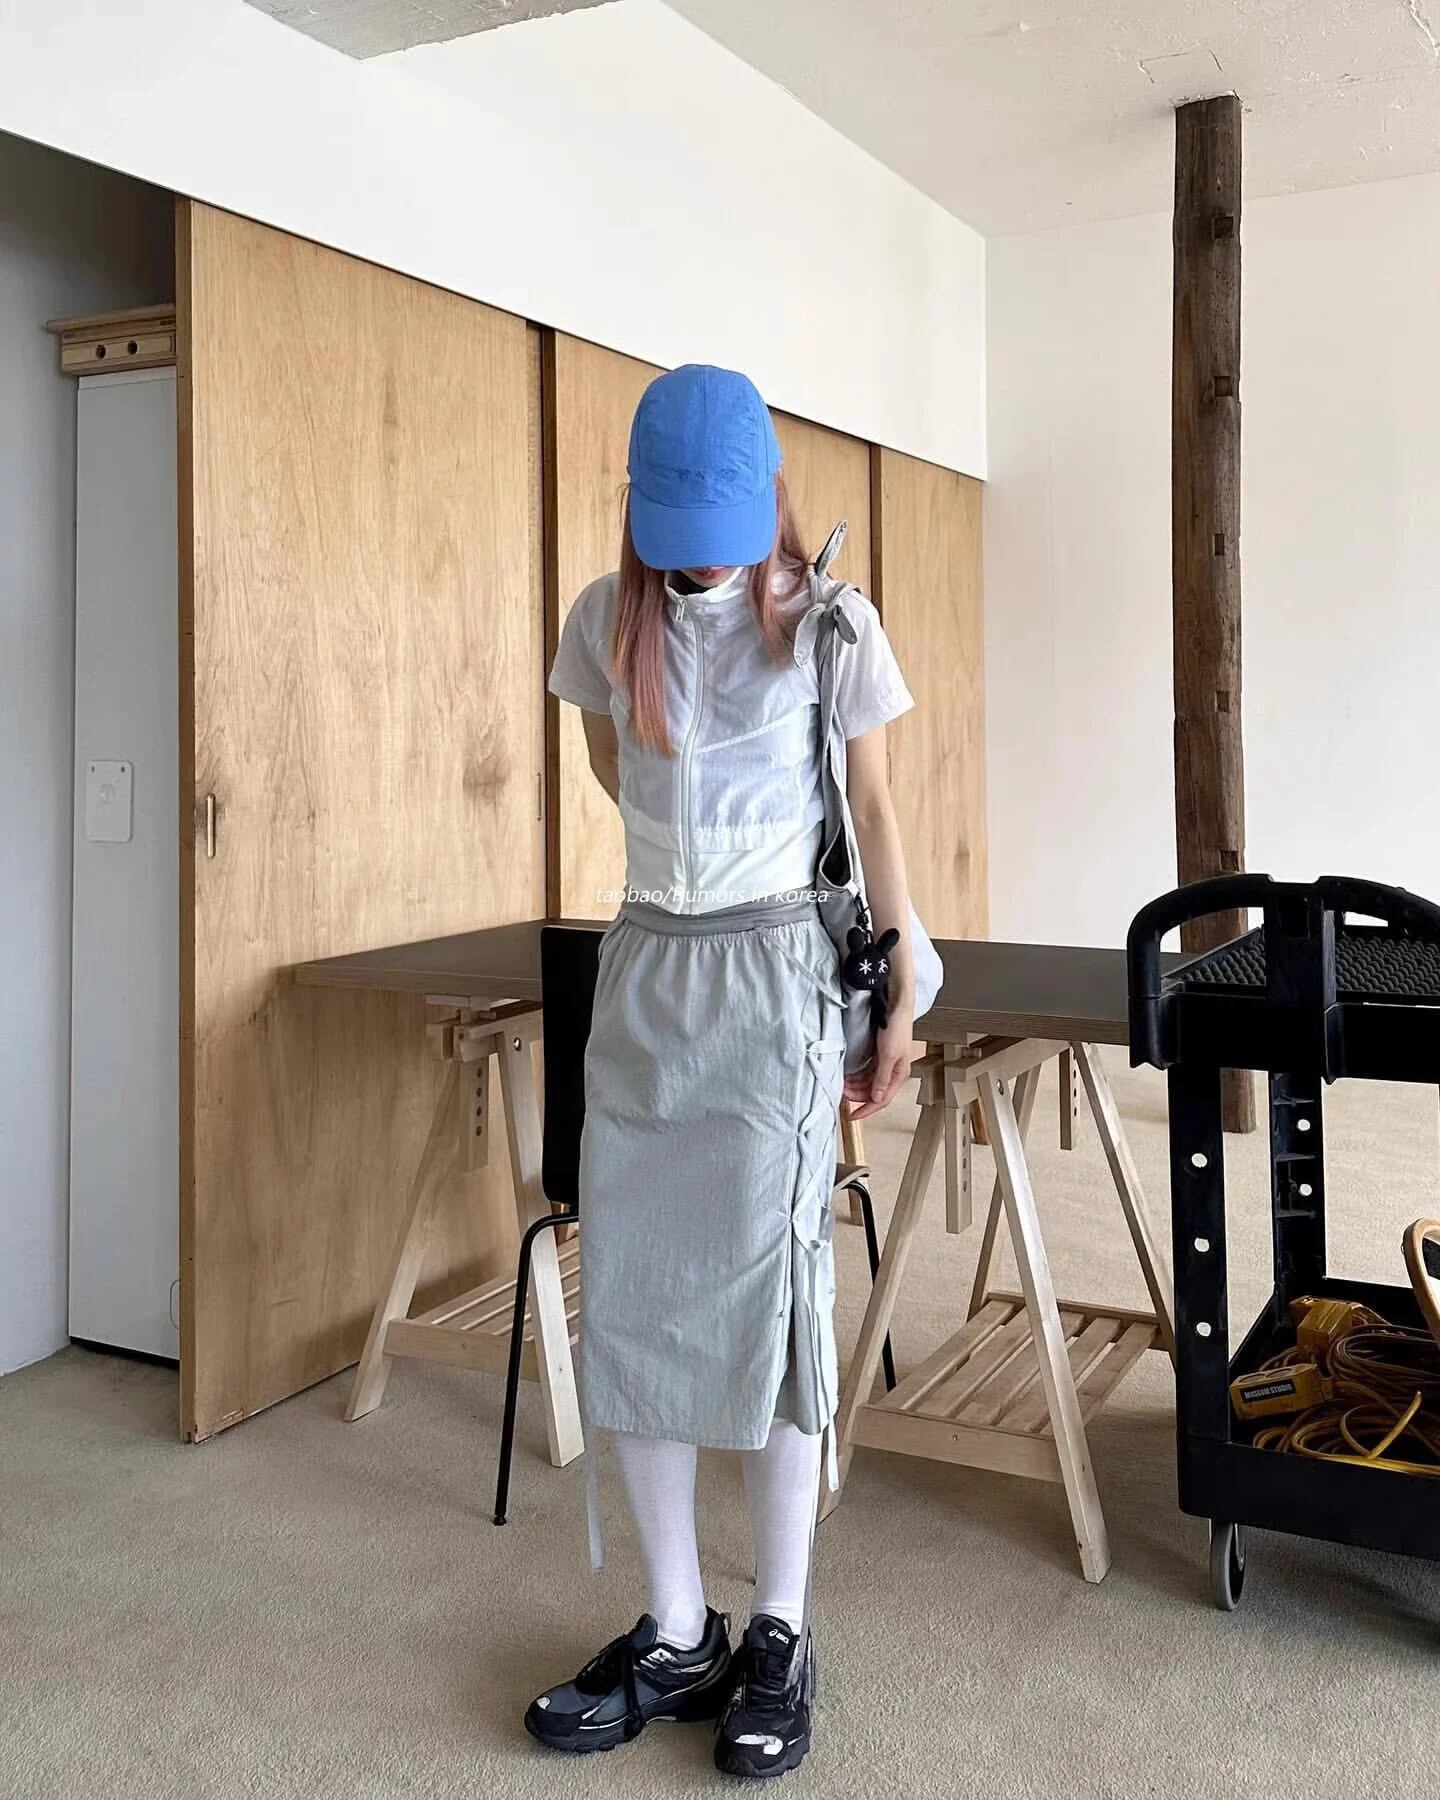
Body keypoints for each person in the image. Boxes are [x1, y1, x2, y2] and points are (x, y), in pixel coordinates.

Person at [526, 363, 919, 1778]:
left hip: (774, 978)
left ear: (768, 502)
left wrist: (897, 993)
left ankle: (782, 1630)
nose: (701, 562)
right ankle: (681, 1628)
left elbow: (872, 807)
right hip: (648, 971)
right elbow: (615, 770)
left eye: (722, 532)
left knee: (771, 1304)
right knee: (633, 1292)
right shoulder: (600, 621)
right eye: (678, 534)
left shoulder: (832, 628)